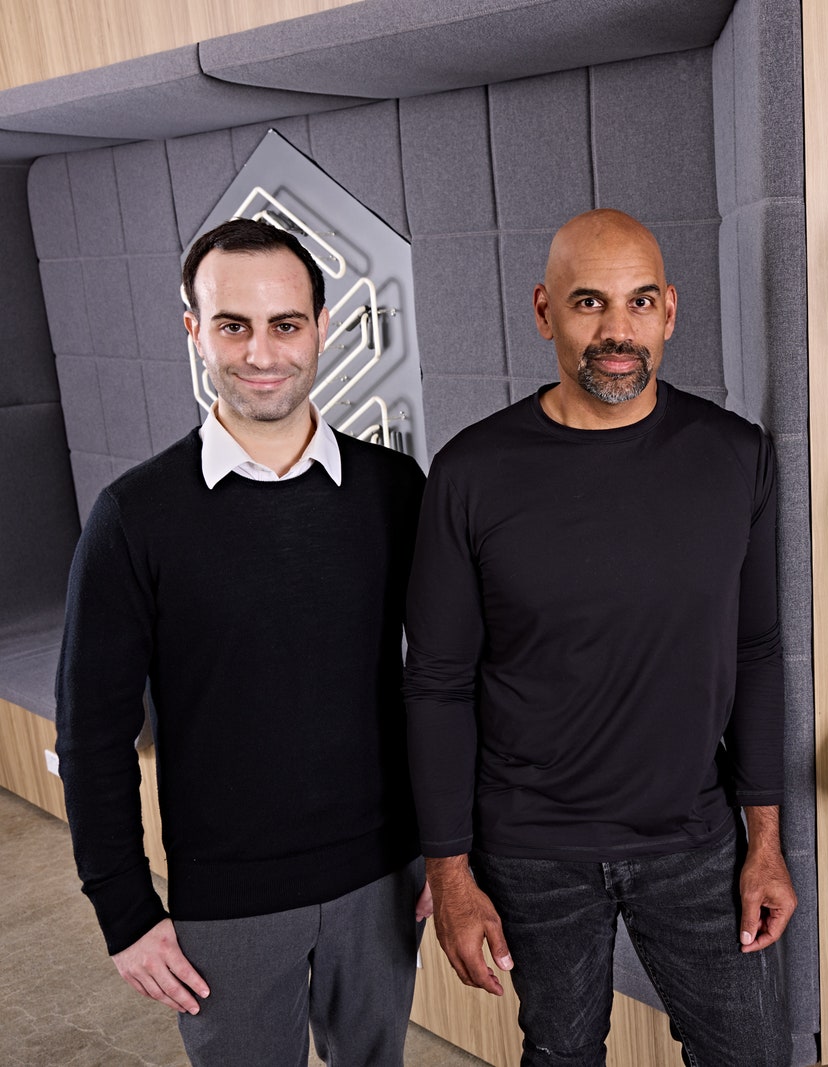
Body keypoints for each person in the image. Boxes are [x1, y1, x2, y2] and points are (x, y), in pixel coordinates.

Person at [404, 208, 793, 1067]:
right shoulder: (471, 473)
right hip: (531, 845)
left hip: (693, 837)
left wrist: (765, 840)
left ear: (670, 311)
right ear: (544, 311)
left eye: (640, 302)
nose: (618, 331)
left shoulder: (734, 457)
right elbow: (435, 682)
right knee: (562, 1053)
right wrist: (451, 874)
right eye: (590, 303)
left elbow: (759, 651)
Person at [55, 218, 429, 1067]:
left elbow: (443, 677)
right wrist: (125, 912)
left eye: (286, 324)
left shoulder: (394, 490)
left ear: (323, 326)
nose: (262, 352)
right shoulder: (133, 517)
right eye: (234, 325)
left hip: (381, 878)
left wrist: (442, 846)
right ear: (195, 329)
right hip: (227, 903)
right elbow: (91, 736)